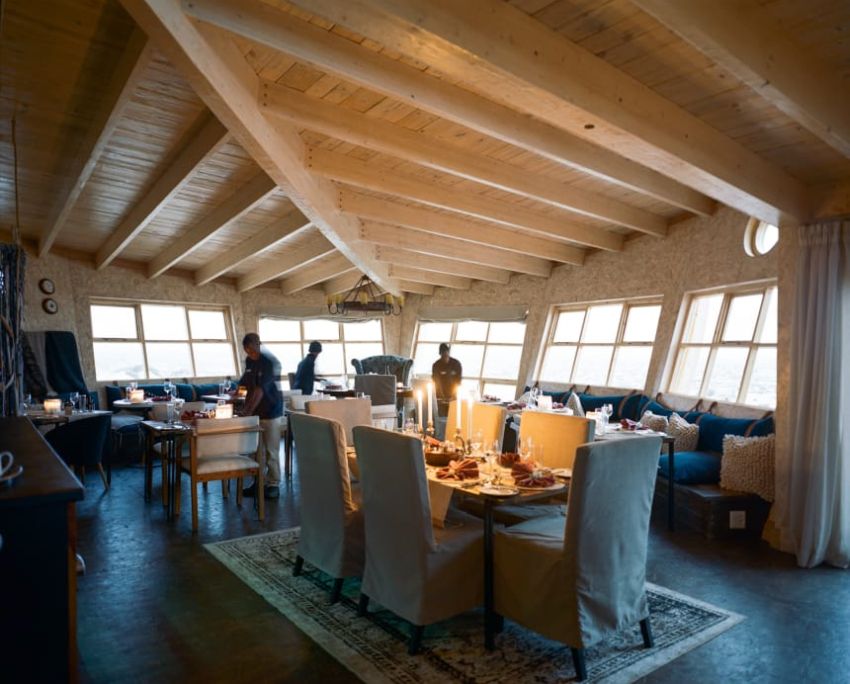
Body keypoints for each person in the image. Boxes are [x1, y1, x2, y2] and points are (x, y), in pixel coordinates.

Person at [238, 333, 284, 499]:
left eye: (251, 349)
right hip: (256, 412)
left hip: (271, 410)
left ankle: (273, 485)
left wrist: (247, 410)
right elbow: (245, 382)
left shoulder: (269, 362)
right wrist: (235, 393)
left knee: (271, 450)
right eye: (247, 350)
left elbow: (259, 390)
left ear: (258, 344)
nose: (250, 353)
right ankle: (258, 482)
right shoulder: (250, 361)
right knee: (257, 451)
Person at [432, 342, 462, 417]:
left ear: (448, 353)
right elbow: (436, 382)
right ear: (440, 354)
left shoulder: (456, 364)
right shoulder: (436, 365)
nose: (445, 358)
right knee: (442, 417)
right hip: (441, 397)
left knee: (453, 417)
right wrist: (442, 396)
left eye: (446, 355)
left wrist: (454, 395)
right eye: (443, 356)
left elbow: (458, 382)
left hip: (453, 396)